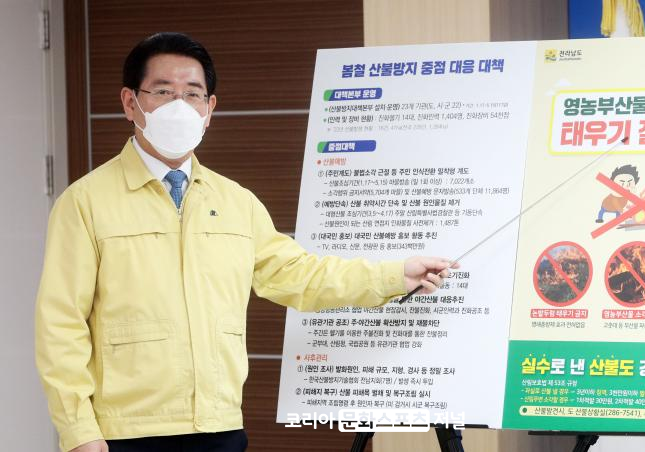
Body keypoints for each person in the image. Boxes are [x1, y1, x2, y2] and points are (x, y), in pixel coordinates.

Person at [35, 32, 455, 452]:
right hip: (126, 434)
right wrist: (79, 431)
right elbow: (61, 325)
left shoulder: (236, 202)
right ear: (131, 103)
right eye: (163, 92)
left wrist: (394, 276)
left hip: (219, 428)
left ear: (209, 109)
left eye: (193, 94)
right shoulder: (85, 202)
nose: (180, 106)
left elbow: (300, 276)